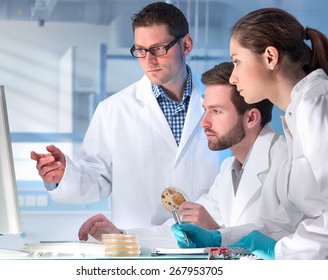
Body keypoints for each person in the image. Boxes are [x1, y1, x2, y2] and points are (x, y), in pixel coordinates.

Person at [30, 2, 219, 229]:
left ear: (186, 45)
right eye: (140, 50)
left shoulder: (222, 102)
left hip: (211, 244)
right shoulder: (113, 110)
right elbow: (97, 177)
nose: (148, 61)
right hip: (139, 249)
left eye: (159, 48)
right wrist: (63, 176)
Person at [176, 7, 328, 260]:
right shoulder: (296, 114)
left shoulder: (318, 104)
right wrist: (222, 238)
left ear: (269, 57)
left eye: (237, 62)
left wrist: (279, 252)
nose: (233, 77)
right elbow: (294, 216)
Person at [78, 62, 296, 250]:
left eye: (217, 111)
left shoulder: (287, 162)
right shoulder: (230, 168)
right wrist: (120, 236)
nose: (204, 122)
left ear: (251, 118)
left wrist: (218, 234)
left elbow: (295, 241)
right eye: (205, 109)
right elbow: (182, 231)